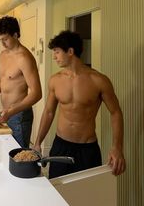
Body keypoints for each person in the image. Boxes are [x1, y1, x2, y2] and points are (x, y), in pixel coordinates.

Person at [34, 30, 126, 179]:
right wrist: (38, 142)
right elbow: (49, 112)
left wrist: (117, 147)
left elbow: (116, 112)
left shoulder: (99, 80)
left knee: (87, 196)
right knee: (58, 194)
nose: (54, 57)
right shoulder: (55, 80)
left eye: (57, 52)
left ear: (70, 51)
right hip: (60, 146)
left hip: (87, 149)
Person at [0, 16, 42, 148]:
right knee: (6, 152)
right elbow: (3, 79)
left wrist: (11, 112)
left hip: (19, 117)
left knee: (18, 156)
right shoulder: (3, 54)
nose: (2, 43)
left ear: (16, 35)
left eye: (5, 39)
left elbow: (37, 94)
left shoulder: (24, 58)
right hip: (5, 113)